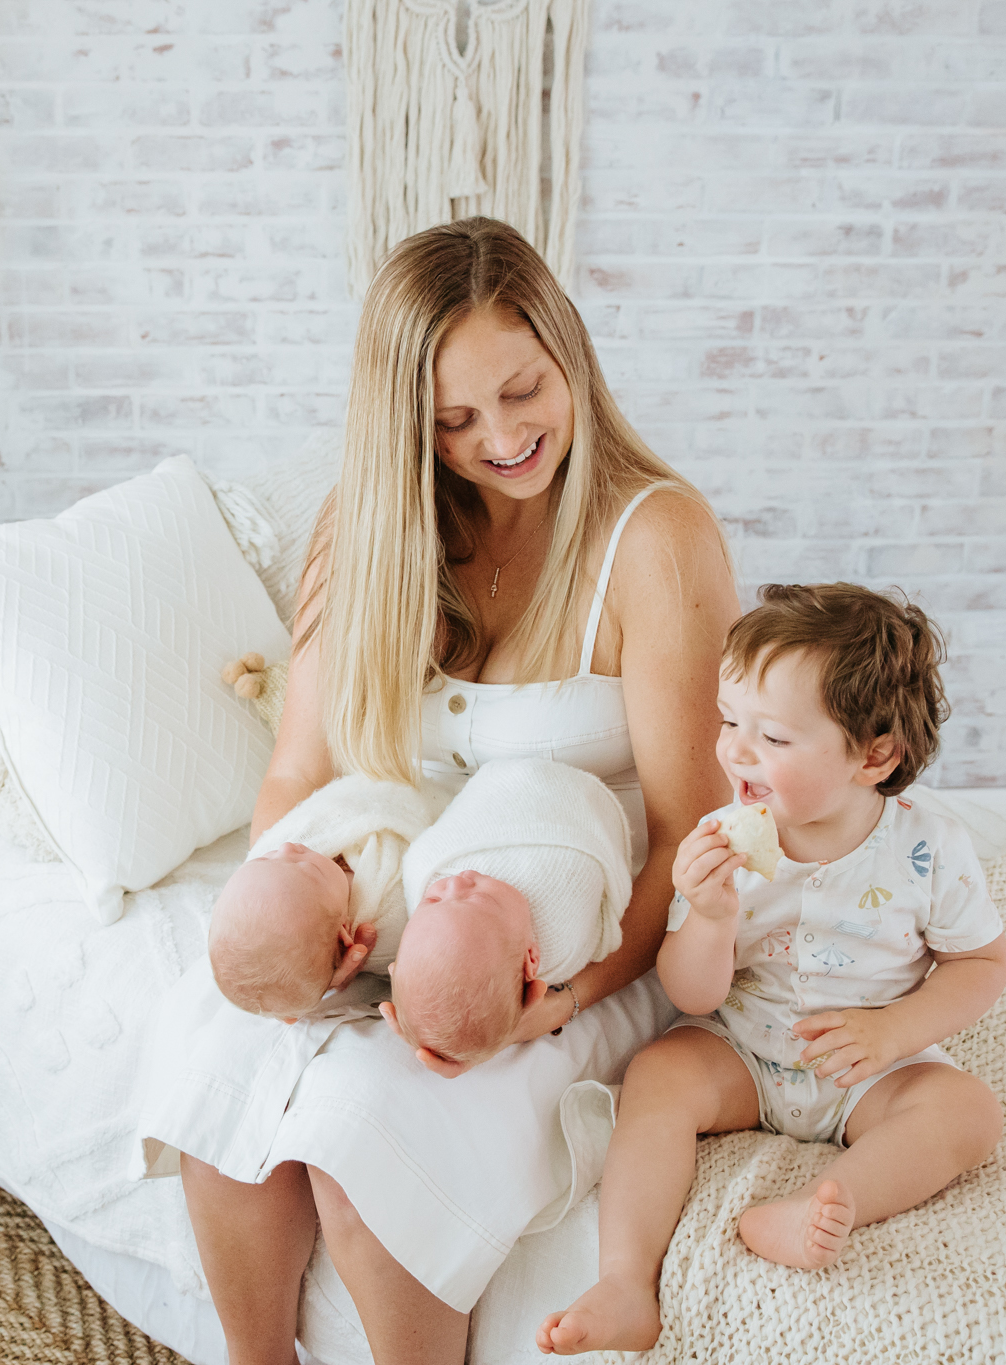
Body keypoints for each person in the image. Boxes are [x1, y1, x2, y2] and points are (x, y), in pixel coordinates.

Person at [135, 216, 738, 1365]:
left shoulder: (653, 540)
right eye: (453, 421)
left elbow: (684, 835)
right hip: (401, 911)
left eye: (520, 392)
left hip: (579, 940)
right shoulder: (367, 533)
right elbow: (300, 774)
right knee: (226, 1084)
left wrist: (559, 1000)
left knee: (368, 1159)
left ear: (567, 353)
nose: (501, 438)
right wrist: (305, 932)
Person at [538, 584, 1006, 1355]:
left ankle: (826, 1204)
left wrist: (897, 1030)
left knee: (969, 1112)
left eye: (774, 738)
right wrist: (713, 915)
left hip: (867, 1070)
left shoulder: (928, 849)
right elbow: (692, 992)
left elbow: (982, 963)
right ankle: (626, 1280)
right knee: (659, 1073)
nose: (735, 750)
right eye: (731, 722)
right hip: (744, 1051)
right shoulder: (726, 837)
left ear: (875, 754)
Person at [386, 758, 633, 1076]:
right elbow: (604, 930)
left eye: (431, 899)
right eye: (478, 898)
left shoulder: (436, 890)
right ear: (531, 959)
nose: (458, 880)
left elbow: (418, 860)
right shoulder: (565, 935)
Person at [208, 772, 436, 1020]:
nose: (286, 847)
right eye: (307, 868)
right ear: (345, 933)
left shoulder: (287, 874)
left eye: (267, 857)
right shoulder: (388, 916)